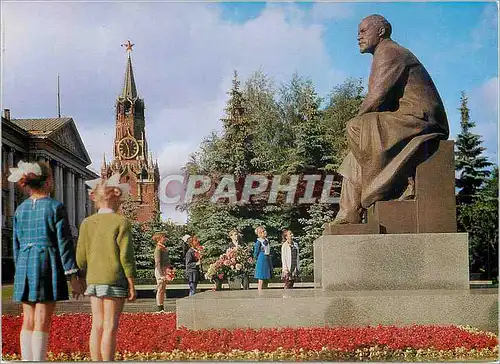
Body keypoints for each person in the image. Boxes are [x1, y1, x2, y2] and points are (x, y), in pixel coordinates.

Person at [334, 14, 450, 224]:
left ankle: (387, 186)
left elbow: (376, 97)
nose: (358, 36)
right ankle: (349, 212)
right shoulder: (385, 52)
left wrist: (359, 122)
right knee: (355, 153)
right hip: (406, 117)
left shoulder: (389, 52)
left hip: (421, 120)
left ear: (381, 31)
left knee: (356, 128)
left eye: (363, 31)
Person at [8, 161, 85, 361]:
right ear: (48, 181)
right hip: (46, 262)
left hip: (25, 263)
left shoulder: (20, 209)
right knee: (42, 319)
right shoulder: (55, 207)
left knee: (28, 319)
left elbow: (15, 244)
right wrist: (73, 276)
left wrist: (20, 270)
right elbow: (64, 244)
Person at [77, 173, 137, 361]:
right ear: (116, 197)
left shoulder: (87, 223)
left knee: (97, 325)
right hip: (114, 280)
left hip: (93, 280)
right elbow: (126, 256)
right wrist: (131, 282)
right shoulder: (121, 222)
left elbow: (80, 255)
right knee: (110, 326)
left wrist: (78, 278)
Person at [153, 232, 171, 312]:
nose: (165, 238)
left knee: (163, 289)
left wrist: (170, 270)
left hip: (165, 269)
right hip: (160, 270)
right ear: (159, 239)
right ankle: (159, 308)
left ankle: (162, 307)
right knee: (160, 289)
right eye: (163, 237)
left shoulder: (163, 248)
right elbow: (157, 262)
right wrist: (161, 274)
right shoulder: (158, 248)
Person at [253, 226, 272, 291]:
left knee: (266, 276)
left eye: (265, 231)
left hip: (267, 259)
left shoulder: (267, 240)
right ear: (260, 233)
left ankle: (265, 289)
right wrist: (255, 258)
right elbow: (256, 252)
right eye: (263, 231)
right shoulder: (258, 242)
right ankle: (260, 290)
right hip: (261, 259)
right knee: (261, 277)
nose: (265, 232)